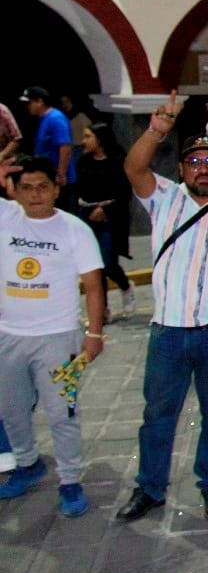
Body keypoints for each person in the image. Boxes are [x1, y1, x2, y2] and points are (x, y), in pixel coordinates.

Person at [115, 99, 208, 523]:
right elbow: (134, 168)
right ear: (182, 169)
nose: (203, 168)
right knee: (157, 416)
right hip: (168, 332)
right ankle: (150, 488)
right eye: (194, 161)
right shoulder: (162, 199)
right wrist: (156, 129)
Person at [0, 156, 105, 517]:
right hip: (9, 336)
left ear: (57, 188)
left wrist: (93, 334)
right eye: (26, 187)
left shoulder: (74, 229)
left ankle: (71, 481)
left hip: (59, 339)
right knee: (11, 409)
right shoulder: (6, 217)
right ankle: (27, 464)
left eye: (43, 186)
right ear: (14, 189)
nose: (35, 195)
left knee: (62, 413)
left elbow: (93, 285)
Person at [77, 122, 136, 320]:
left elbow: (125, 193)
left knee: (109, 262)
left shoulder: (118, 162)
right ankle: (102, 309)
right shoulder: (83, 162)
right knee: (95, 265)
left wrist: (106, 209)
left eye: (88, 136)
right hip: (88, 215)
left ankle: (126, 287)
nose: (84, 141)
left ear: (100, 139)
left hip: (111, 217)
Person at [21, 87, 76, 212]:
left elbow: (65, 146)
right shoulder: (44, 119)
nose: (27, 107)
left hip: (57, 179)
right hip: (47, 177)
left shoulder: (55, 118)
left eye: (29, 103)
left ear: (39, 101)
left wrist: (61, 174)